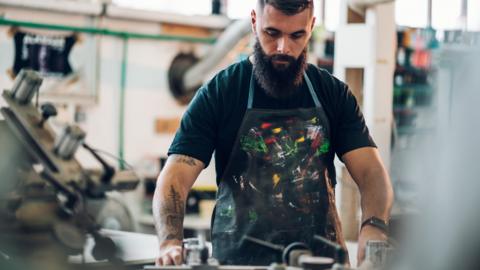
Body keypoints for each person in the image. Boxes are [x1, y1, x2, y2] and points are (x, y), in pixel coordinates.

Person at [153, 0, 394, 266]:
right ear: (255, 22)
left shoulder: (333, 94)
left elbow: (371, 172)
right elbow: (176, 175)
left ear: (311, 27)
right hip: (239, 263)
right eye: (272, 33)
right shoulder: (221, 93)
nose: (283, 47)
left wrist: (374, 226)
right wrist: (170, 241)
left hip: (320, 261)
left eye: (296, 35)